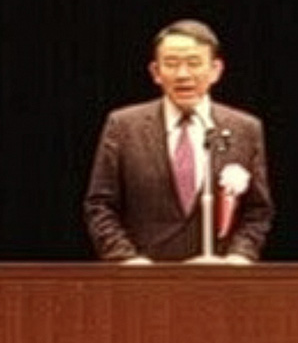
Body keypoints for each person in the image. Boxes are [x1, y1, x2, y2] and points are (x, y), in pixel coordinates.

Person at [83, 19, 274, 264]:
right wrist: (128, 261)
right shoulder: (123, 126)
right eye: (171, 64)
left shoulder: (244, 129)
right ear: (156, 72)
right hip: (142, 276)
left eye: (194, 63)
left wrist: (238, 258)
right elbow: (100, 205)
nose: (183, 75)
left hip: (219, 276)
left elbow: (257, 211)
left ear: (215, 70)